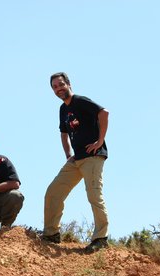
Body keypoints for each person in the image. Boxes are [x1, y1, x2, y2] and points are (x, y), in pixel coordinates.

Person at [43, 72, 110, 253]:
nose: (59, 89)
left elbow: (104, 113)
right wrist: (67, 154)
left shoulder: (80, 101)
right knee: (53, 192)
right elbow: (64, 133)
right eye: (55, 87)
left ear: (69, 84)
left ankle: (100, 238)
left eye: (61, 84)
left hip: (93, 156)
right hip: (76, 159)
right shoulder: (63, 109)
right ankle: (51, 234)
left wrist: (99, 141)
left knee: (94, 195)